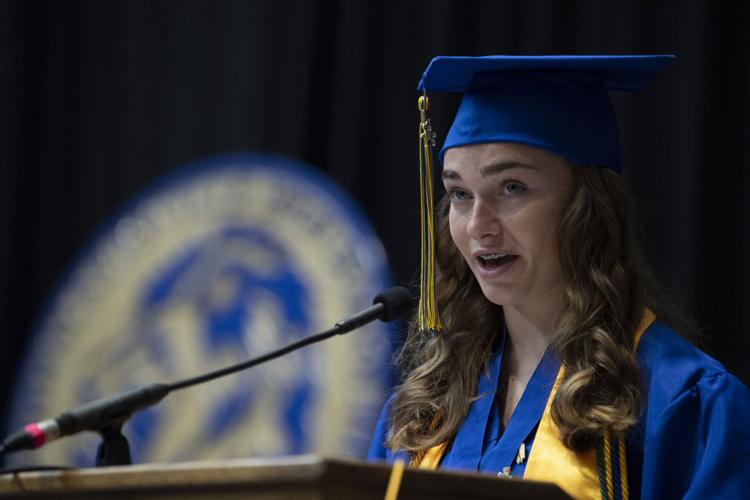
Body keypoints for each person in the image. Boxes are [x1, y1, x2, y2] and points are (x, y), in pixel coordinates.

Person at [367, 55, 750, 499]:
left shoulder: (683, 403)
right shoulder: (420, 414)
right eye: (459, 194)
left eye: (512, 188)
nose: (477, 226)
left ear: (586, 209)